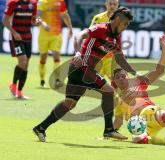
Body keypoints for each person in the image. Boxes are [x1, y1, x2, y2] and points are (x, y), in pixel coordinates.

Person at [33, 7, 142, 142]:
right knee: (108, 91)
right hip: (82, 67)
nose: (126, 27)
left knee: (69, 103)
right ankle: (109, 130)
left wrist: (135, 73)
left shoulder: (116, 38)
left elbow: (120, 59)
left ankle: (40, 128)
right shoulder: (100, 28)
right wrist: (78, 52)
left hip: (81, 69)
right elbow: (79, 36)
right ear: (119, 19)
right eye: (125, 24)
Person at [3, 0, 37, 99]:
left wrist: (41, 22)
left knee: (26, 65)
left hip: (28, 37)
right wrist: (14, 33)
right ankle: (13, 85)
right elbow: (5, 20)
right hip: (16, 37)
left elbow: (34, 19)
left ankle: (20, 92)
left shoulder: (33, 3)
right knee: (22, 61)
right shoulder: (13, 3)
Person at [37, 0, 73, 88]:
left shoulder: (61, 1)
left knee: (56, 56)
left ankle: (57, 80)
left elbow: (65, 15)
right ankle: (42, 80)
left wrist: (70, 28)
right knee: (43, 58)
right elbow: (37, 17)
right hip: (43, 35)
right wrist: (43, 24)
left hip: (56, 34)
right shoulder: (42, 2)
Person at [90, 0, 119, 80]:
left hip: (110, 56)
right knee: (95, 82)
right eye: (110, 4)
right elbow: (90, 34)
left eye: (114, 4)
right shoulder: (98, 18)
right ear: (106, 4)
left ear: (117, 5)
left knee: (115, 80)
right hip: (98, 56)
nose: (112, 6)